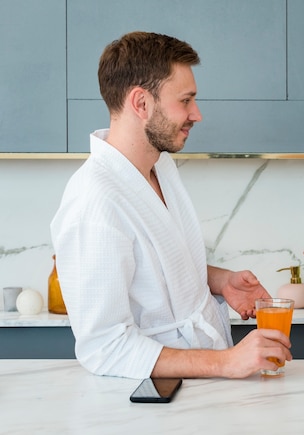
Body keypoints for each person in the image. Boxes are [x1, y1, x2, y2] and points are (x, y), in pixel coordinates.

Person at [50, 31, 291, 379]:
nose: (197, 114)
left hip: (201, 381)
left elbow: (156, 263)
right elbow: (105, 348)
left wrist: (220, 280)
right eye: (186, 100)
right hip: (150, 399)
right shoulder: (94, 202)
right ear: (141, 103)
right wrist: (225, 362)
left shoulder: (160, 166)